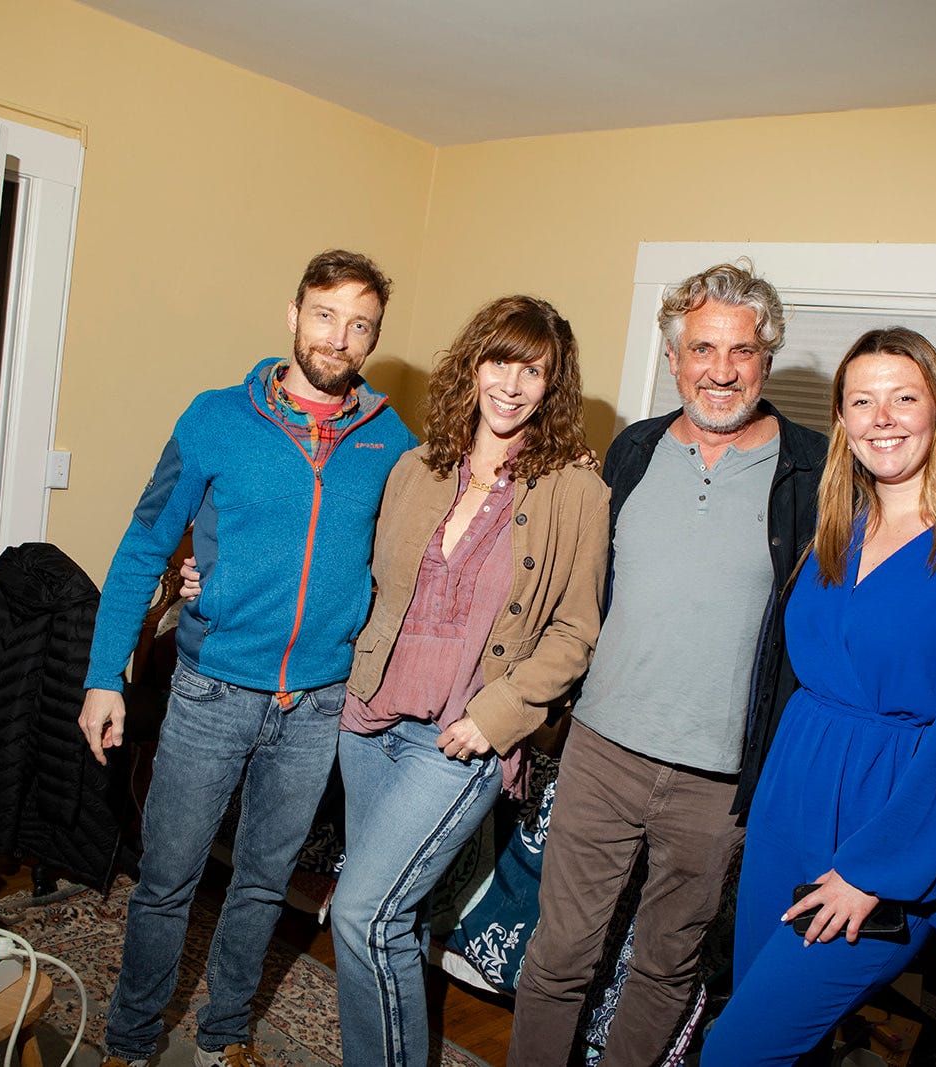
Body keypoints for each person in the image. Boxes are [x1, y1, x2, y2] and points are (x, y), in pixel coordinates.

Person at [78, 250, 417, 1067]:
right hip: (211, 691)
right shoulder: (215, 418)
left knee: (264, 883)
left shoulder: (392, 441)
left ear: (374, 337)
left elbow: (432, 538)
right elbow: (144, 543)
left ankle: (224, 1034)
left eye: (360, 324)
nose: (339, 337)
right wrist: (103, 674)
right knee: (168, 879)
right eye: (326, 315)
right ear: (294, 315)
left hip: (319, 702)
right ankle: (129, 1041)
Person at [702, 327, 936, 1064]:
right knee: (784, 1041)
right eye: (862, 401)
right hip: (789, 802)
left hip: (889, 825)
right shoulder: (835, 527)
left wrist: (879, 870)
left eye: (904, 398)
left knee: (737, 1051)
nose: (882, 418)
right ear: (841, 419)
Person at [508, 261, 828, 1066]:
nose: (722, 370)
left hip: (718, 782)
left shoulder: (817, 471)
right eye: (703, 349)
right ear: (675, 357)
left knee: (664, 966)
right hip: (601, 752)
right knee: (559, 953)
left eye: (742, 350)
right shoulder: (634, 450)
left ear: (766, 358)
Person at [332, 294, 609, 1066]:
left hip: (461, 739)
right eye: (500, 362)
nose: (512, 385)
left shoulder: (576, 491)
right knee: (395, 917)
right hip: (371, 720)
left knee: (360, 913)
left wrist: (499, 714)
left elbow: (577, 631)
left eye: (534, 371)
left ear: (552, 385)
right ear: (473, 365)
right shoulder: (417, 466)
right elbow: (361, 579)